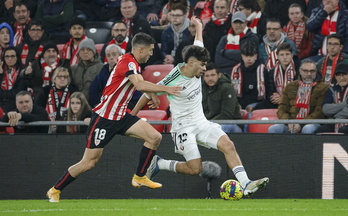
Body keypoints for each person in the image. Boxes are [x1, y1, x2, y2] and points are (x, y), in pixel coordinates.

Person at [132, 16, 269, 197]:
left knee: (228, 145)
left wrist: (198, 26)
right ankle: (160, 163)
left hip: (201, 123)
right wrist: (131, 116)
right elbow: (147, 92)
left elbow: (198, 43)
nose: (204, 69)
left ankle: (246, 184)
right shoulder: (175, 77)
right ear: (190, 63)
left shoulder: (196, 59)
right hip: (183, 127)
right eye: (202, 65)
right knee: (194, 169)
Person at [46, 32, 182, 203]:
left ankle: (139, 176)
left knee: (154, 137)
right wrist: (166, 89)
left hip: (121, 115)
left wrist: (151, 92)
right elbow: (139, 84)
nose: (151, 54)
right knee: (89, 162)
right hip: (104, 118)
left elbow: (137, 83)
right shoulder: (128, 62)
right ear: (140, 49)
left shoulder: (132, 63)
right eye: (150, 50)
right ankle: (55, 189)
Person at [268, 59, 328, 134]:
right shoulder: (290, 87)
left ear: (316, 71)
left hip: (311, 123)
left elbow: (319, 112)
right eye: (305, 71)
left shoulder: (323, 88)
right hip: (290, 123)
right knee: (274, 129)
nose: (309, 74)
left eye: (312, 71)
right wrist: (289, 122)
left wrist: (301, 123)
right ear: (300, 71)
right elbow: (282, 109)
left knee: (308, 129)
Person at [255, 42, 300, 110]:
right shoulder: (273, 71)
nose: (285, 57)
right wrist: (275, 96)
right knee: (258, 108)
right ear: (277, 56)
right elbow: (270, 89)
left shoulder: (299, 70)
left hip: (293, 100)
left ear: (292, 55)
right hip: (276, 100)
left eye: (287, 54)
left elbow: (297, 90)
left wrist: (283, 98)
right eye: (282, 55)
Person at [202, 62, 243, 133]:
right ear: (203, 77)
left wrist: (209, 124)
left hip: (231, 123)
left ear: (219, 75)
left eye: (213, 75)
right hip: (208, 124)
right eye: (207, 76)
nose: (210, 78)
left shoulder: (227, 88)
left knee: (219, 129)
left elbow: (227, 114)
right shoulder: (201, 89)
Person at [36, 67, 76, 133]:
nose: (62, 79)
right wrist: (48, 123)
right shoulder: (46, 91)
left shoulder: (73, 91)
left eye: (65, 77)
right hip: (48, 126)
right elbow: (39, 109)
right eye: (60, 76)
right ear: (54, 79)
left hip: (68, 127)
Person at [231, 42, 267, 112]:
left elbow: (267, 92)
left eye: (251, 56)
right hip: (240, 104)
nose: (249, 59)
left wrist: (255, 107)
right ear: (242, 56)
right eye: (246, 56)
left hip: (258, 104)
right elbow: (233, 89)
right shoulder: (236, 71)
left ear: (256, 56)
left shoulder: (262, 70)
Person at [317, 63, 348, 133]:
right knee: (321, 130)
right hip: (334, 122)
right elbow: (326, 109)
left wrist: (335, 117)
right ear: (335, 77)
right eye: (338, 75)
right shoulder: (332, 90)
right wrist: (344, 104)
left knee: (343, 130)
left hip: (339, 120)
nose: (342, 78)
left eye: (344, 74)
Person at [0, 46, 27, 113]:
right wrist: (0, 74)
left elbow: (18, 92)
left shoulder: (22, 71)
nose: (10, 59)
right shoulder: (1, 70)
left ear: (17, 57)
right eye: (7, 56)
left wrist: (2, 93)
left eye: (12, 56)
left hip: (16, 103)